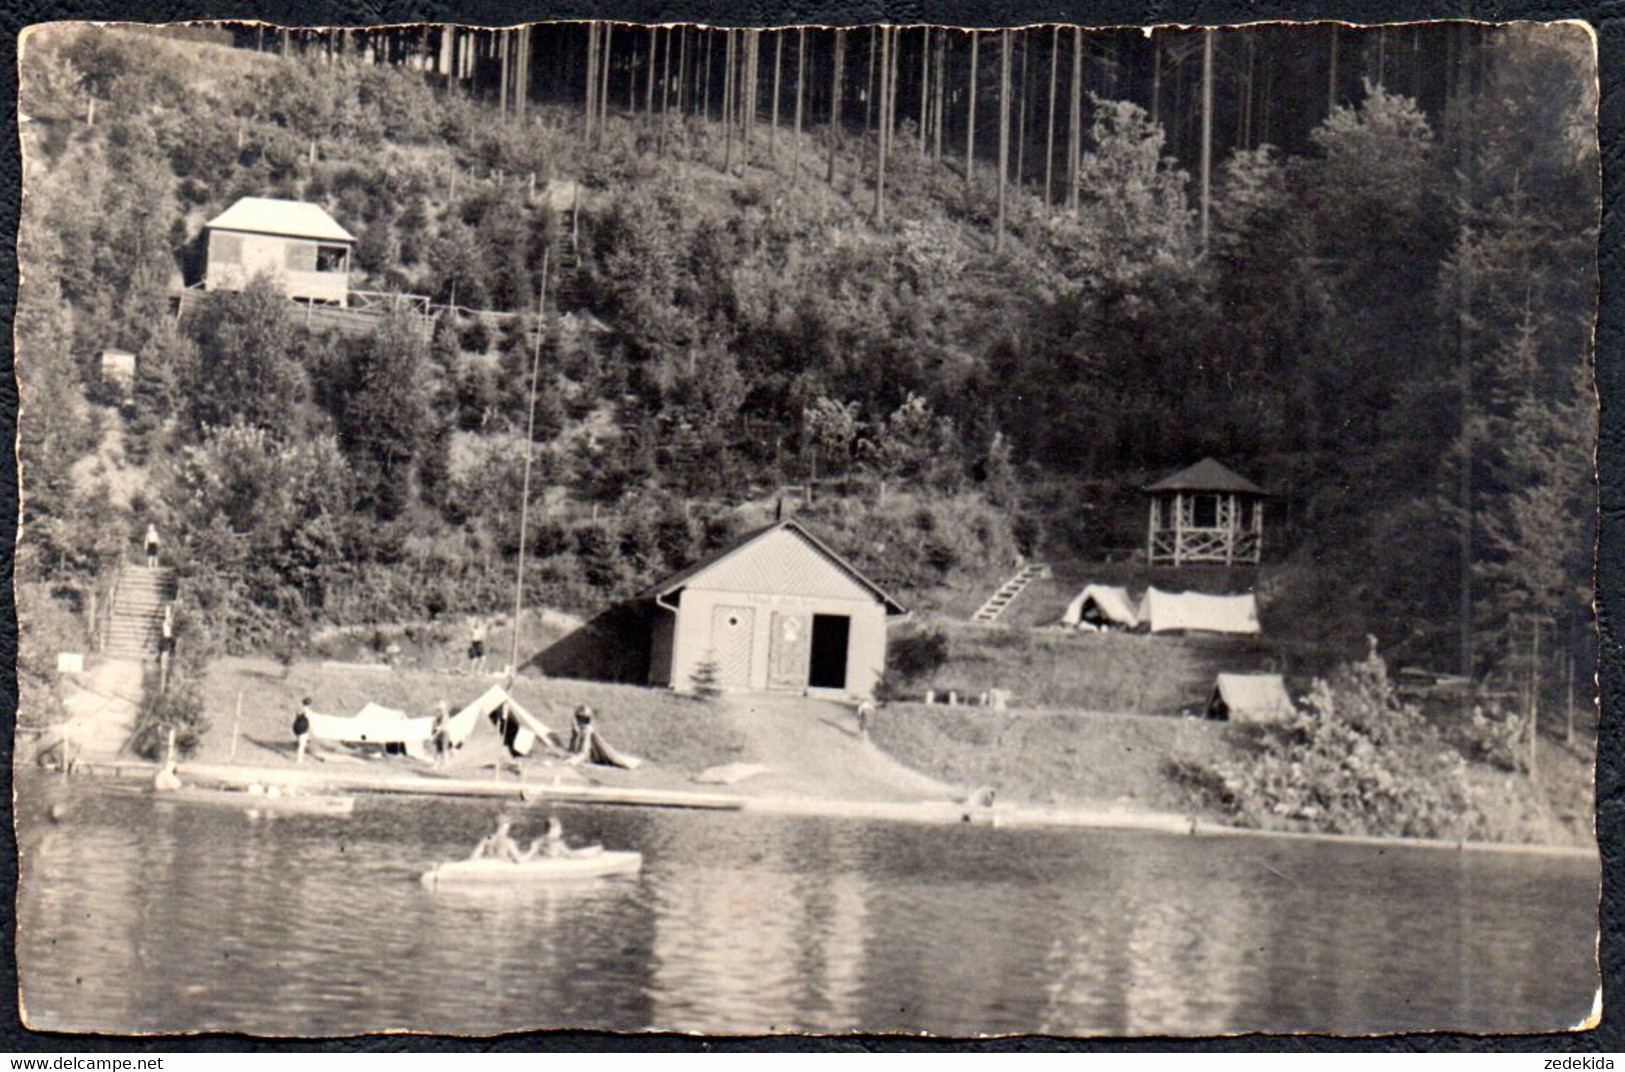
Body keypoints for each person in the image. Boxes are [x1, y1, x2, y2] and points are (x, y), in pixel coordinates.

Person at [293, 698, 313, 764]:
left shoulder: (299, 710)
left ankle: (299, 758)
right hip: (304, 729)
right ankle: (299, 759)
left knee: (300, 744)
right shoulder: (307, 711)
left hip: (298, 729)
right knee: (302, 745)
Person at [431, 700, 451, 767]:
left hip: (444, 733)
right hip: (439, 733)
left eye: (440, 709)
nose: (439, 711)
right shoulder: (439, 716)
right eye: (439, 709)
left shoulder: (445, 716)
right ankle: (437, 763)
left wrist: (435, 735)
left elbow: (442, 726)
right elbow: (435, 724)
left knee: (444, 749)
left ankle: (445, 764)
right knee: (438, 749)